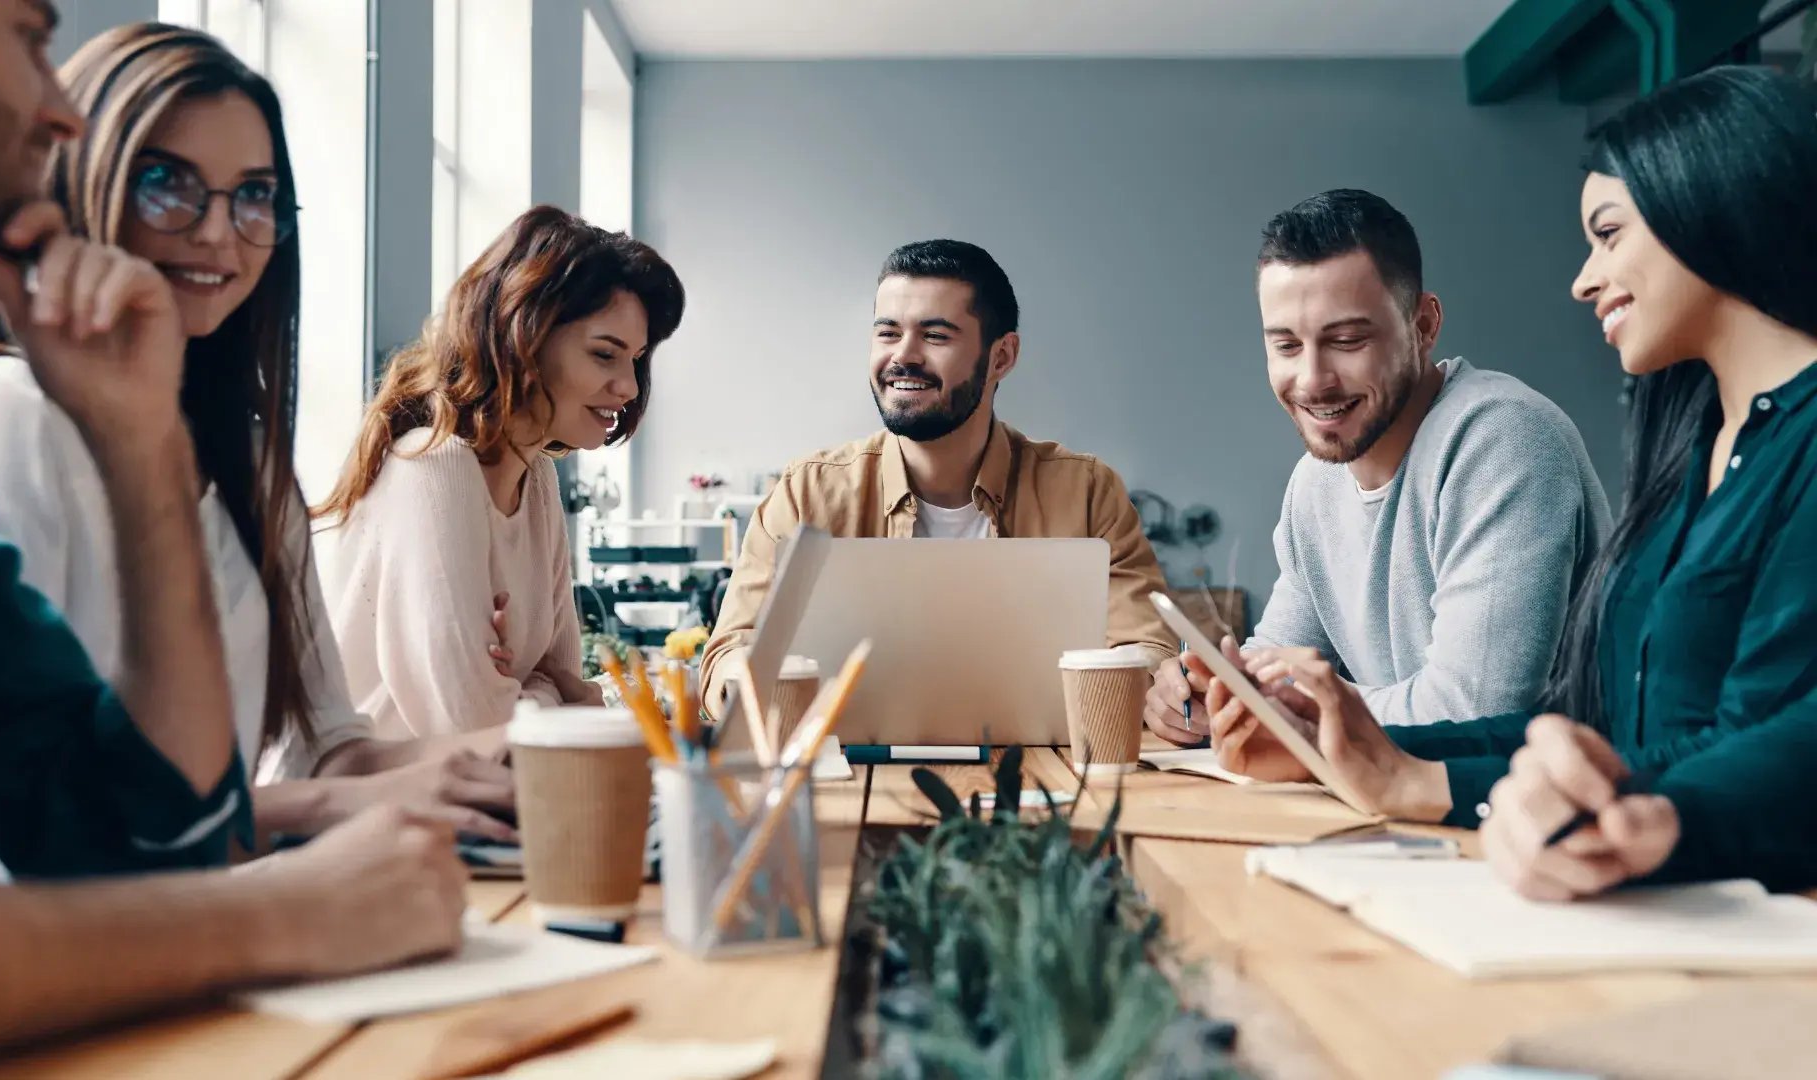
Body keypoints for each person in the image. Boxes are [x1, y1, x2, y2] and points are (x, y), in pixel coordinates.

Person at [0, 0, 462, 1065]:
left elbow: (152, 834)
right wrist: (291, 912)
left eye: (255, 198)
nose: (57, 109)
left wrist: (145, 440)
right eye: (28, 35)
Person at [1205, 67, 1817, 900]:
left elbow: (1761, 744)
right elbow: (1596, 727)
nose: (1583, 279)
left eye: (1608, 235)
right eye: (1285, 342)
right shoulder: (1692, 443)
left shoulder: (1513, 436)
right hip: (1661, 899)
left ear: (1711, 211)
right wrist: (1372, 756)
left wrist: (1641, 814)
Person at [0, 22, 519, 851]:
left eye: (255, 195)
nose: (216, 231)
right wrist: (315, 813)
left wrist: (515, 755)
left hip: (194, 925)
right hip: (86, 952)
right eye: (167, 182)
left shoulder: (250, 457)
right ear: (85, 176)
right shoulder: (0, 417)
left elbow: (325, 749)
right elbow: (5, 834)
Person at [1142, 190, 1610, 745]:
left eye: (1346, 341)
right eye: (1287, 345)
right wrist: (1206, 694)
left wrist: (1281, 706)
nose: (1313, 380)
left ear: (1424, 325)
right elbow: (1274, 663)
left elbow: (1471, 710)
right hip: (1403, 808)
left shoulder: (1502, 440)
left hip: (1545, 813)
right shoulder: (1316, 482)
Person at [700, 239, 1180, 719]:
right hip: (849, 779)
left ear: (1001, 357)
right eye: (887, 333)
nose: (903, 357)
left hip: (1042, 775)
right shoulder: (807, 494)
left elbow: (1145, 645)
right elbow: (729, 652)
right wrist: (743, 681)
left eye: (935, 335)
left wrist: (1159, 688)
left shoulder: (1087, 492)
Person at [315, 205, 686, 737]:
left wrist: (524, 688)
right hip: (394, 805)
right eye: (605, 355)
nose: (628, 386)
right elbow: (474, 725)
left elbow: (568, 684)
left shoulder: (535, 479)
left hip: (497, 799)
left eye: (635, 359)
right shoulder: (433, 468)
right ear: (525, 340)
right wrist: (530, 692)